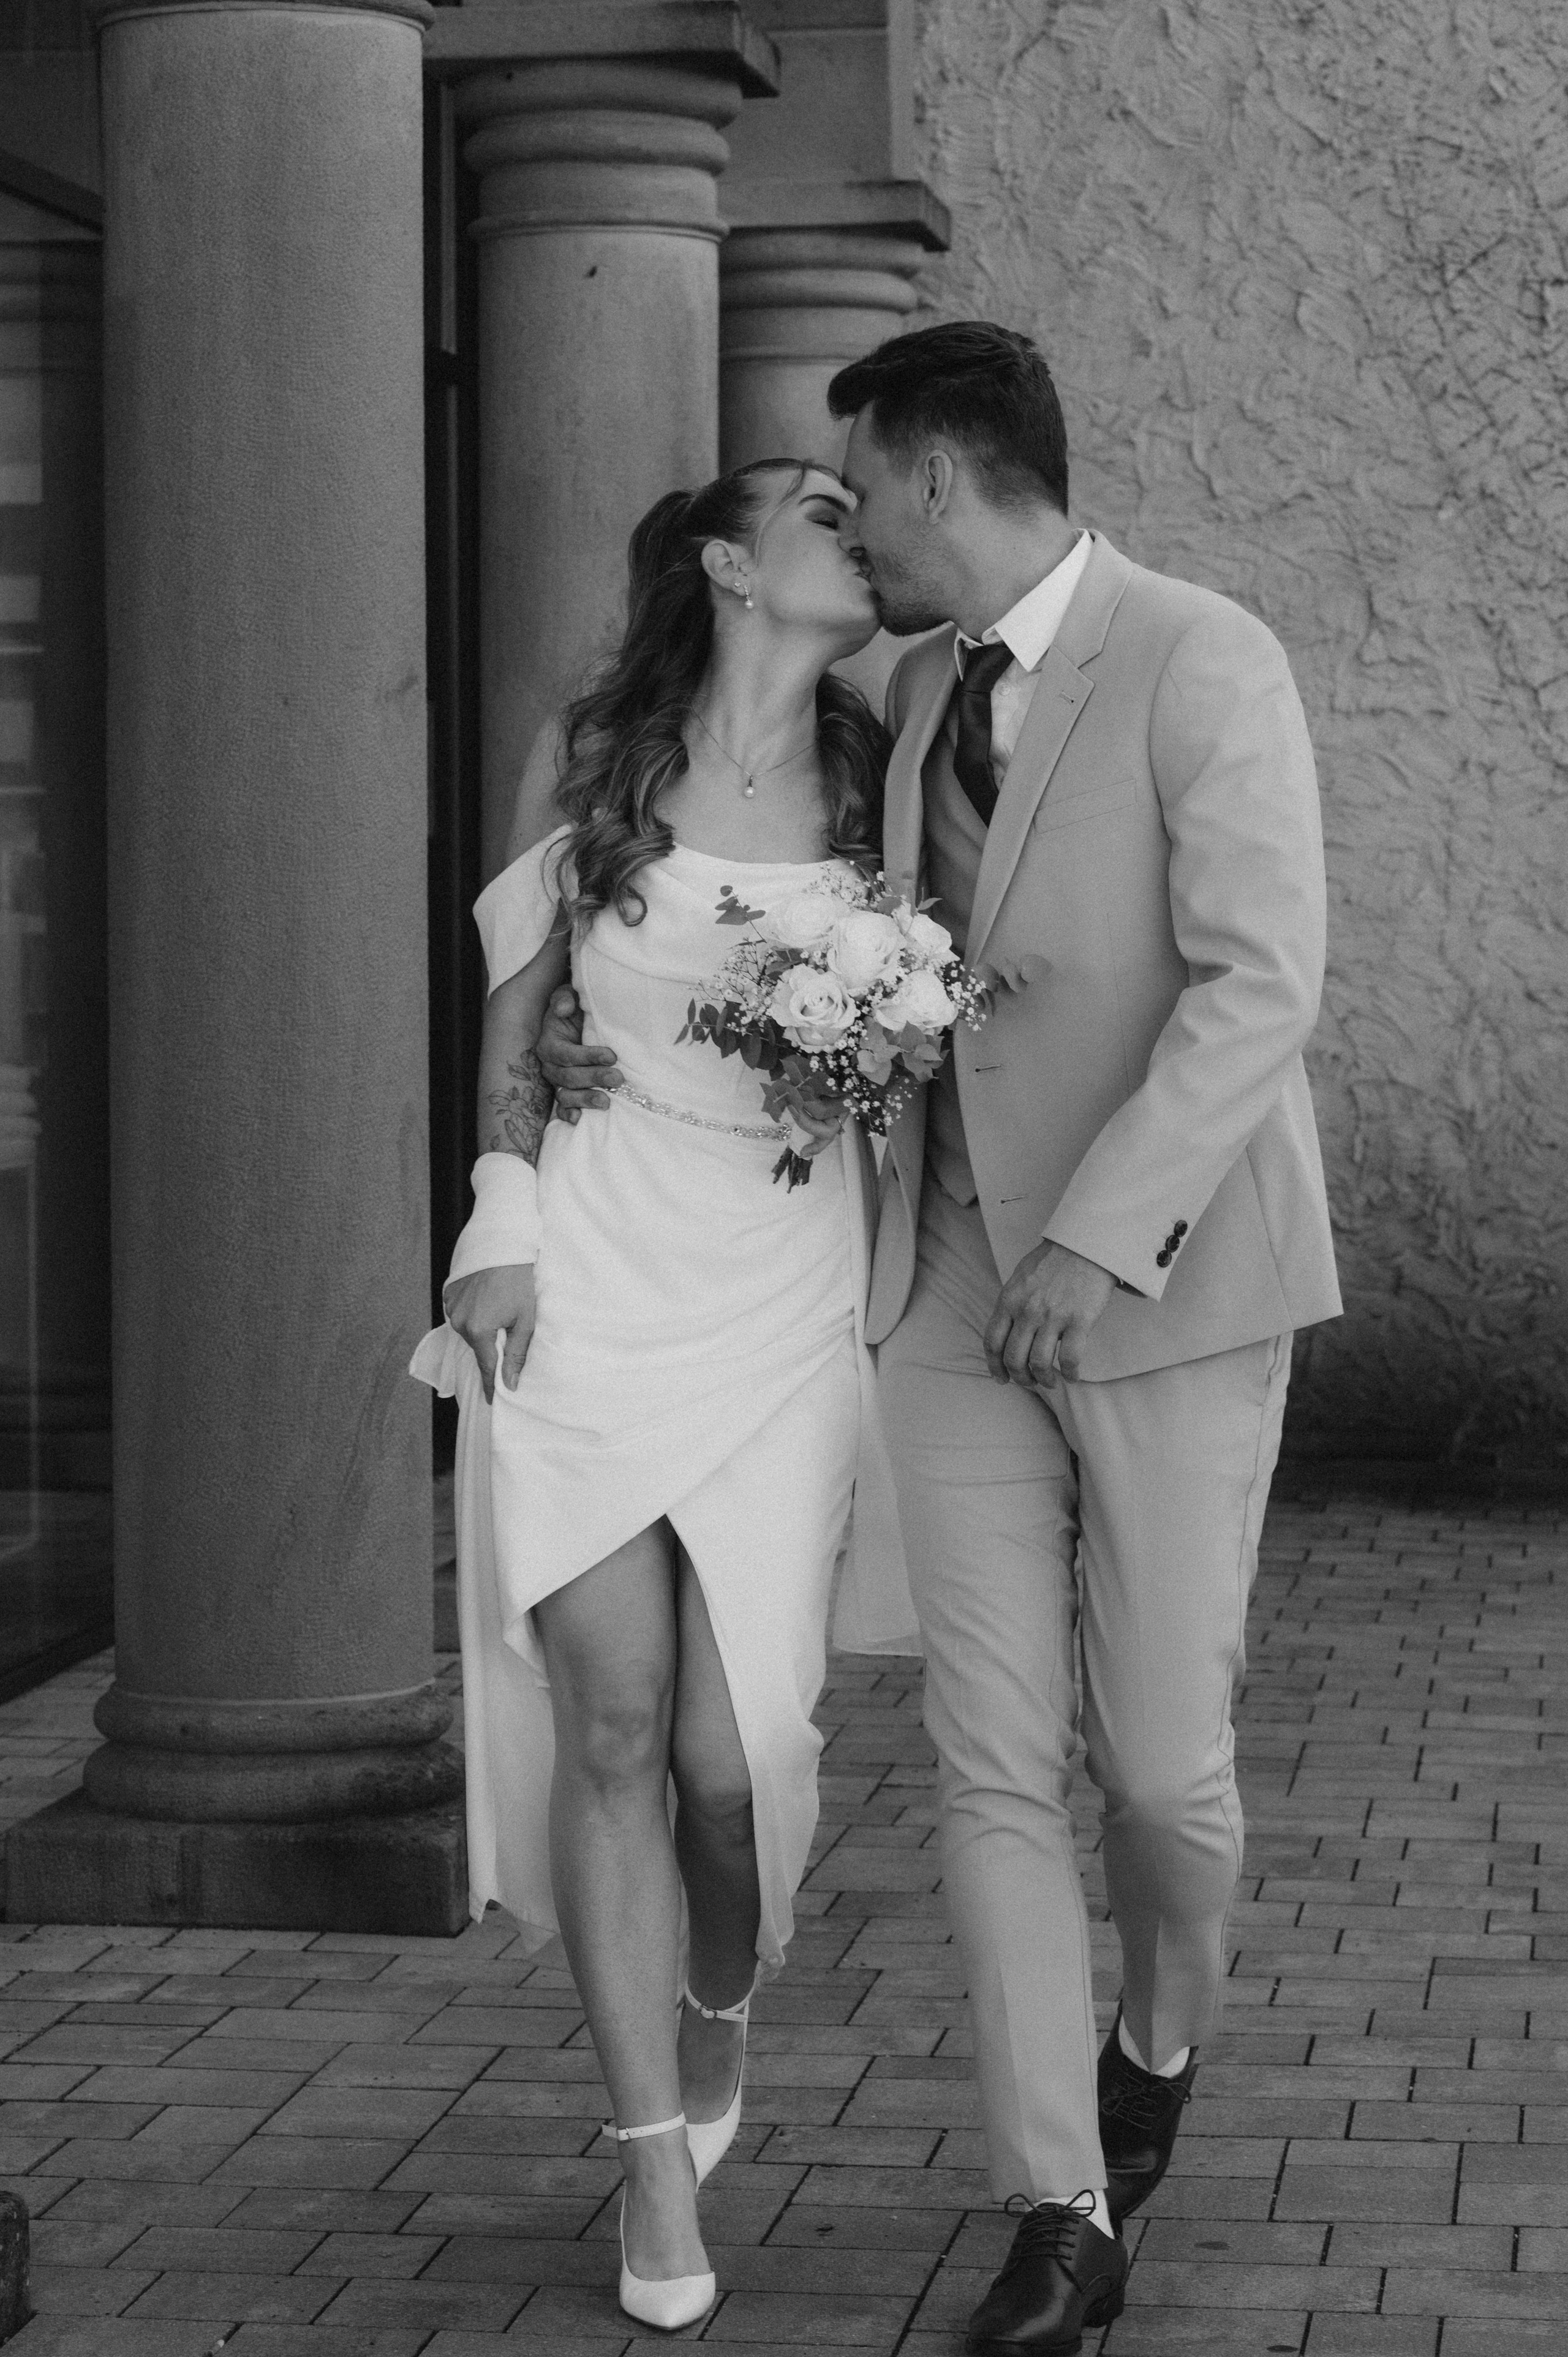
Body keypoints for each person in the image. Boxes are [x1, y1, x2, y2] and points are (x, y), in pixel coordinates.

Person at [538, 322, 1341, 2357]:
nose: (853, 524)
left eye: (861, 487)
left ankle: (1158, 2043)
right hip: (949, 1294)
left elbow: (1264, 983)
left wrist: (1106, 1234)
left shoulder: (1202, 657)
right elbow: (699, 792)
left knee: (1161, 1779)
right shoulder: (898, 695)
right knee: (994, 1765)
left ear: (946, 479)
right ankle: (1058, 2207)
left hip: (1171, 1291)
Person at [411, 458, 914, 2334]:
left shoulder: (883, 767)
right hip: (593, 1280)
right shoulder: (597, 752)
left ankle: (720, 1998)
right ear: (728, 561)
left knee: (732, 1756)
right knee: (611, 1726)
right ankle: (647, 2164)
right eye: (819, 507)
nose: (856, 529)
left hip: (785, 1294)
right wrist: (501, 1217)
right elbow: (521, 1011)